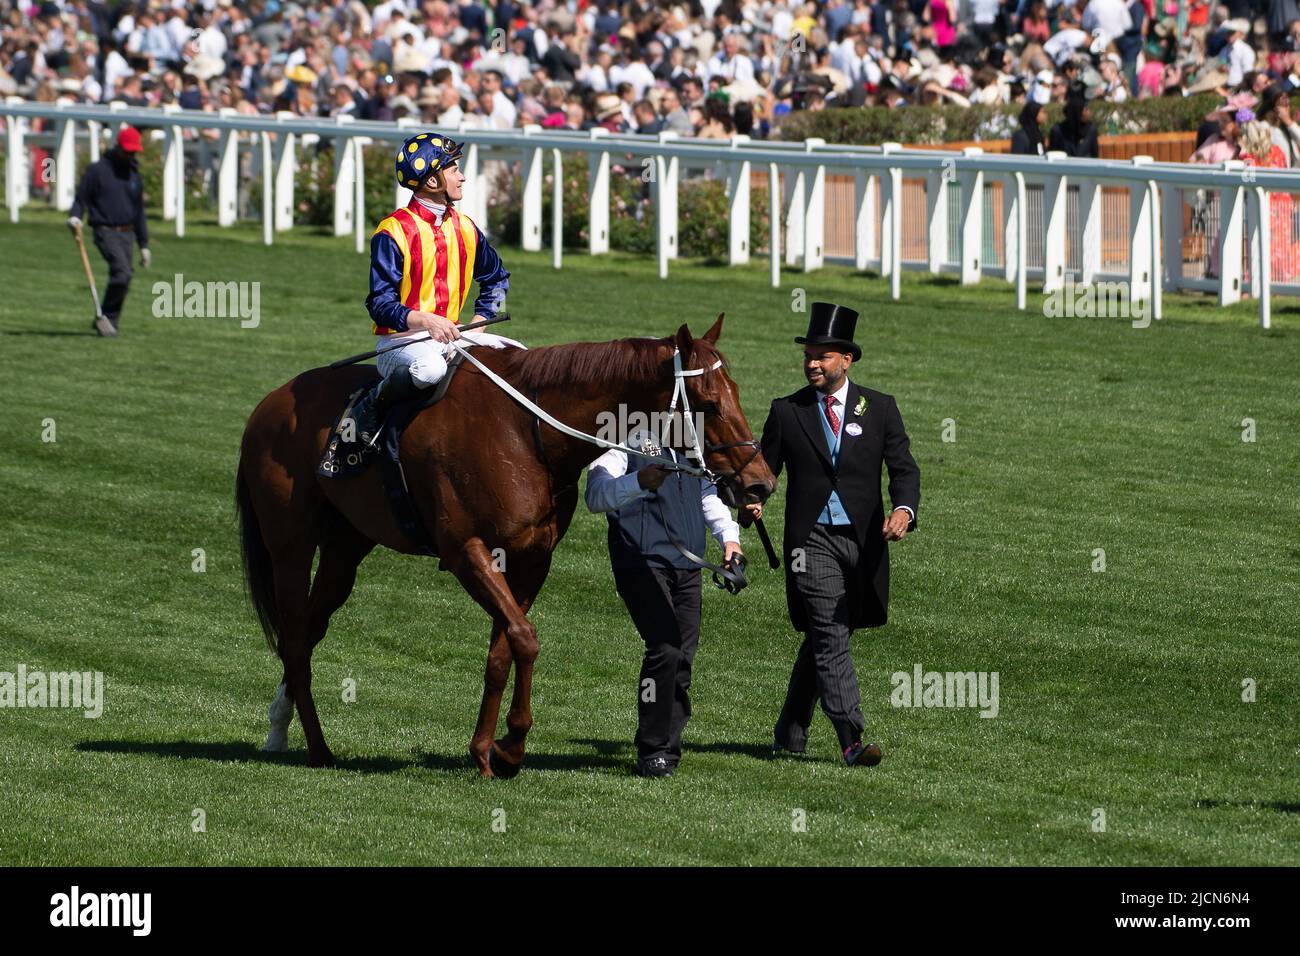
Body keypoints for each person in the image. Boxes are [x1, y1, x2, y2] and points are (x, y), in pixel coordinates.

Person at [744, 303, 920, 768]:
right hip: (811, 544)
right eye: (809, 355)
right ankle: (851, 738)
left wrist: (904, 510)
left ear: (847, 360)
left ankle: (789, 729)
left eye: (823, 356)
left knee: (830, 634)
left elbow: (904, 469)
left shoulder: (881, 408)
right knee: (830, 632)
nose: (812, 364)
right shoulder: (787, 411)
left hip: (865, 544)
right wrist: (752, 499)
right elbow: (763, 470)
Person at [586, 431, 744, 778]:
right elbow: (595, 494)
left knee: (683, 659)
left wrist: (729, 539)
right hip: (639, 561)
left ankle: (666, 749)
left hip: (688, 564)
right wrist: (639, 481)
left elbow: (706, 492)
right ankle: (653, 749)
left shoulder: (692, 440)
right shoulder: (624, 436)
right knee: (666, 648)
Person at [349, 133, 512, 447]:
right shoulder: (393, 231)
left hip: (455, 336)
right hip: (400, 344)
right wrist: (427, 321)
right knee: (429, 370)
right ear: (432, 181)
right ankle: (371, 405)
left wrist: (480, 321)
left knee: (516, 354)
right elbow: (379, 304)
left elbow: (497, 279)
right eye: (453, 169)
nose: (462, 176)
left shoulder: (466, 227)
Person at [66, 125, 151, 338]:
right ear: (118, 147)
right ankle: (107, 317)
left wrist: (144, 245)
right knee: (122, 272)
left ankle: (109, 319)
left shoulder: (134, 174)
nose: (131, 155)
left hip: (128, 233)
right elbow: (81, 199)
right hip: (105, 231)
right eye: (127, 151)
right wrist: (75, 217)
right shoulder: (97, 171)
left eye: (134, 152)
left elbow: (139, 211)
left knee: (125, 276)